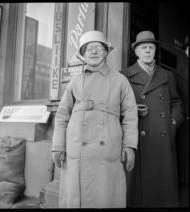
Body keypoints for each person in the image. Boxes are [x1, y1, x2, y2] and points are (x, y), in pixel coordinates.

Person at [51, 30, 138, 208]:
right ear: (83, 54)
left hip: (107, 150)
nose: (93, 51)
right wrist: (58, 146)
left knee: (104, 197)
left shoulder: (120, 81)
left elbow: (130, 116)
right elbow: (61, 117)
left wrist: (129, 146)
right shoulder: (75, 81)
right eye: (88, 48)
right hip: (77, 148)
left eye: (98, 47)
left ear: (106, 52)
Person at [124, 30, 184, 207]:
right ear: (136, 52)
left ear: (155, 51)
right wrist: (132, 110)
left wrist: (172, 122)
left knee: (163, 192)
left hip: (163, 141)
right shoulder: (124, 75)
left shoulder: (168, 75)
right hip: (137, 140)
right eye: (144, 47)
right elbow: (115, 105)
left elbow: (177, 103)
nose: (148, 51)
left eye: (151, 47)